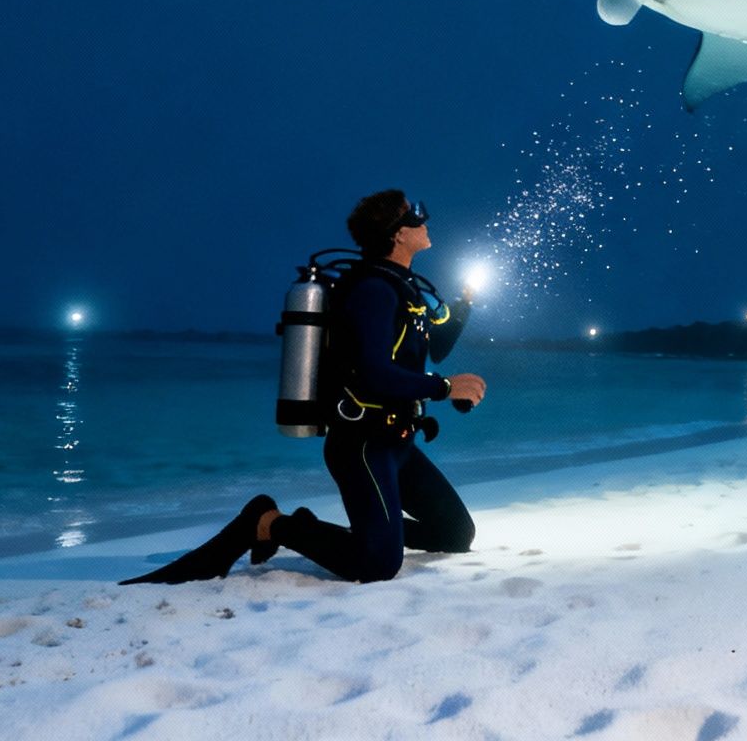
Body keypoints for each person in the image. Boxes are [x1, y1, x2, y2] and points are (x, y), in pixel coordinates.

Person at [122, 189, 488, 585]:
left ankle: (361, 534)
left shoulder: (404, 288)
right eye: (415, 213)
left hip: (398, 442)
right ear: (397, 234)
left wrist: (465, 303)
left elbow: (436, 347)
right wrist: (444, 387)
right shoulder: (373, 291)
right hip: (363, 444)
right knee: (380, 565)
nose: (425, 218)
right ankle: (268, 524)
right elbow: (373, 374)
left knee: (455, 533)